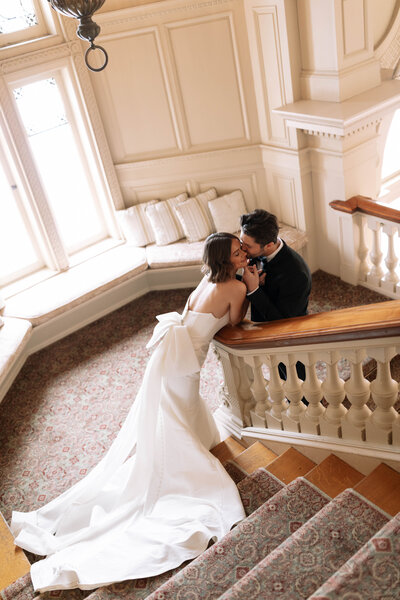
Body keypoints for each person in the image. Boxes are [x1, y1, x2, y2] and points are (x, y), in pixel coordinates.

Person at [10, 233, 248, 593]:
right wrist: (253, 286)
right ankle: (179, 470)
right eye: (237, 251)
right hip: (185, 367)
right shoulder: (235, 287)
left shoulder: (208, 279)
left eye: (241, 248)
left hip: (175, 360)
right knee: (179, 420)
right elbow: (234, 325)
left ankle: (183, 452)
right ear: (224, 261)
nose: (243, 253)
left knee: (177, 418)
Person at [240, 209, 312, 384]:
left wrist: (255, 290)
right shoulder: (257, 254)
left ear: (269, 246)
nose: (243, 249)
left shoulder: (296, 274)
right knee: (279, 377)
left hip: (289, 339)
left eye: (247, 246)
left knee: (296, 383)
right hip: (264, 332)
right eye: (242, 242)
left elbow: (283, 322)